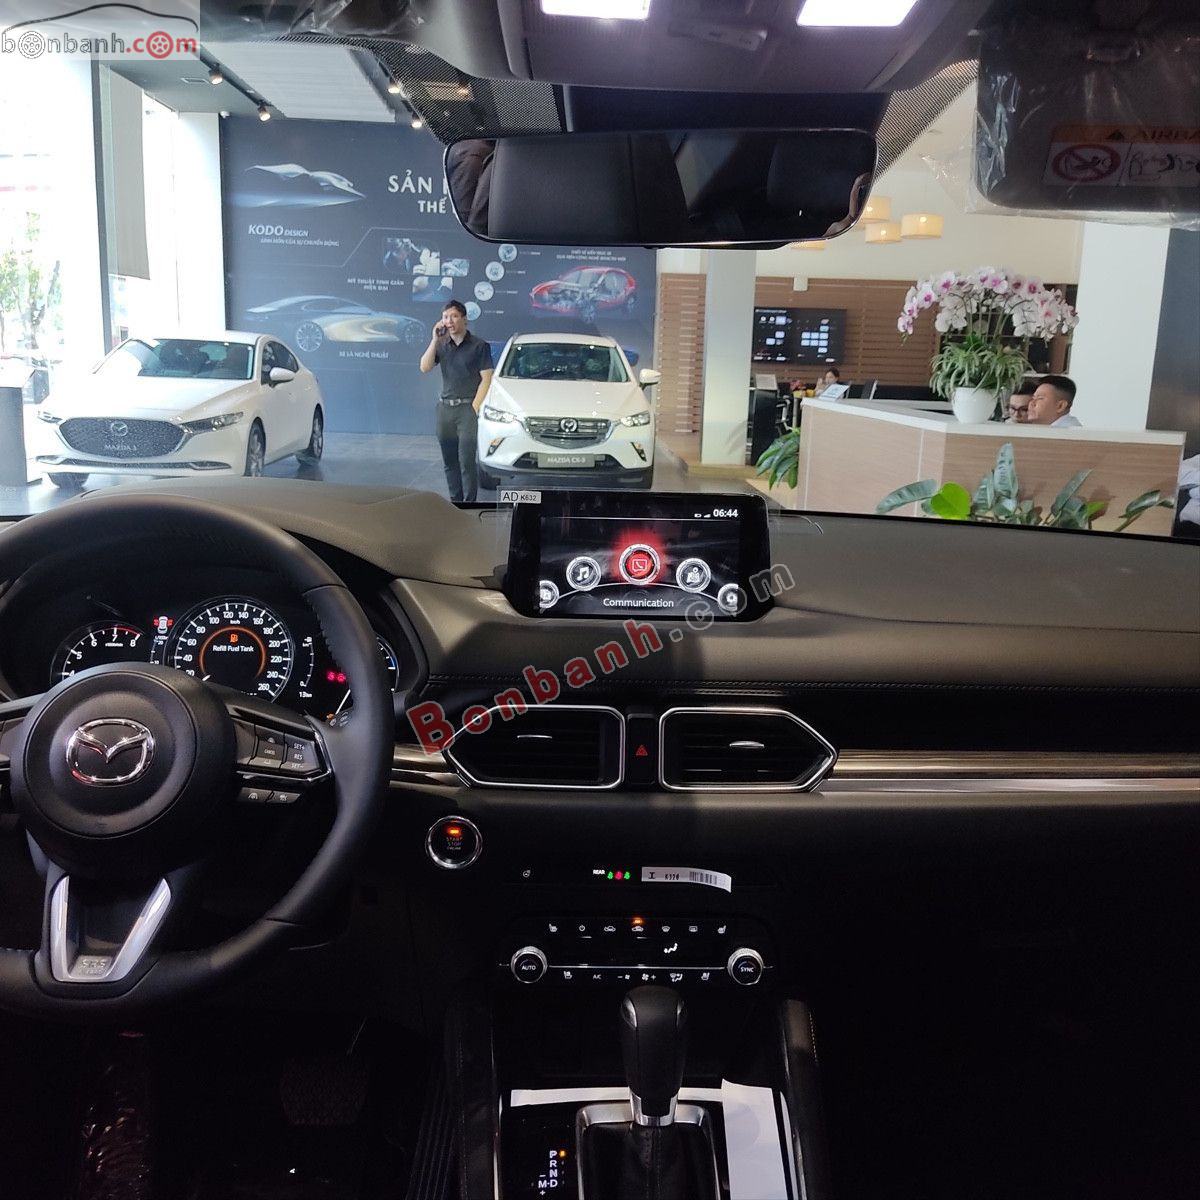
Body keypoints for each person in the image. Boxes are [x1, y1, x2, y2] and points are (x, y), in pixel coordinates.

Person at [419, 299, 494, 502]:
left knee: (467, 462)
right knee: (449, 461)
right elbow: (424, 367)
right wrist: (434, 340)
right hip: (445, 410)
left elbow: (487, 379)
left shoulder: (479, 346)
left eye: (453, 316)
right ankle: (456, 503)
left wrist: (474, 408)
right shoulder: (442, 344)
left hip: (467, 409)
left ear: (464, 319)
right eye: (445, 317)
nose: (449, 321)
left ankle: (469, 505)